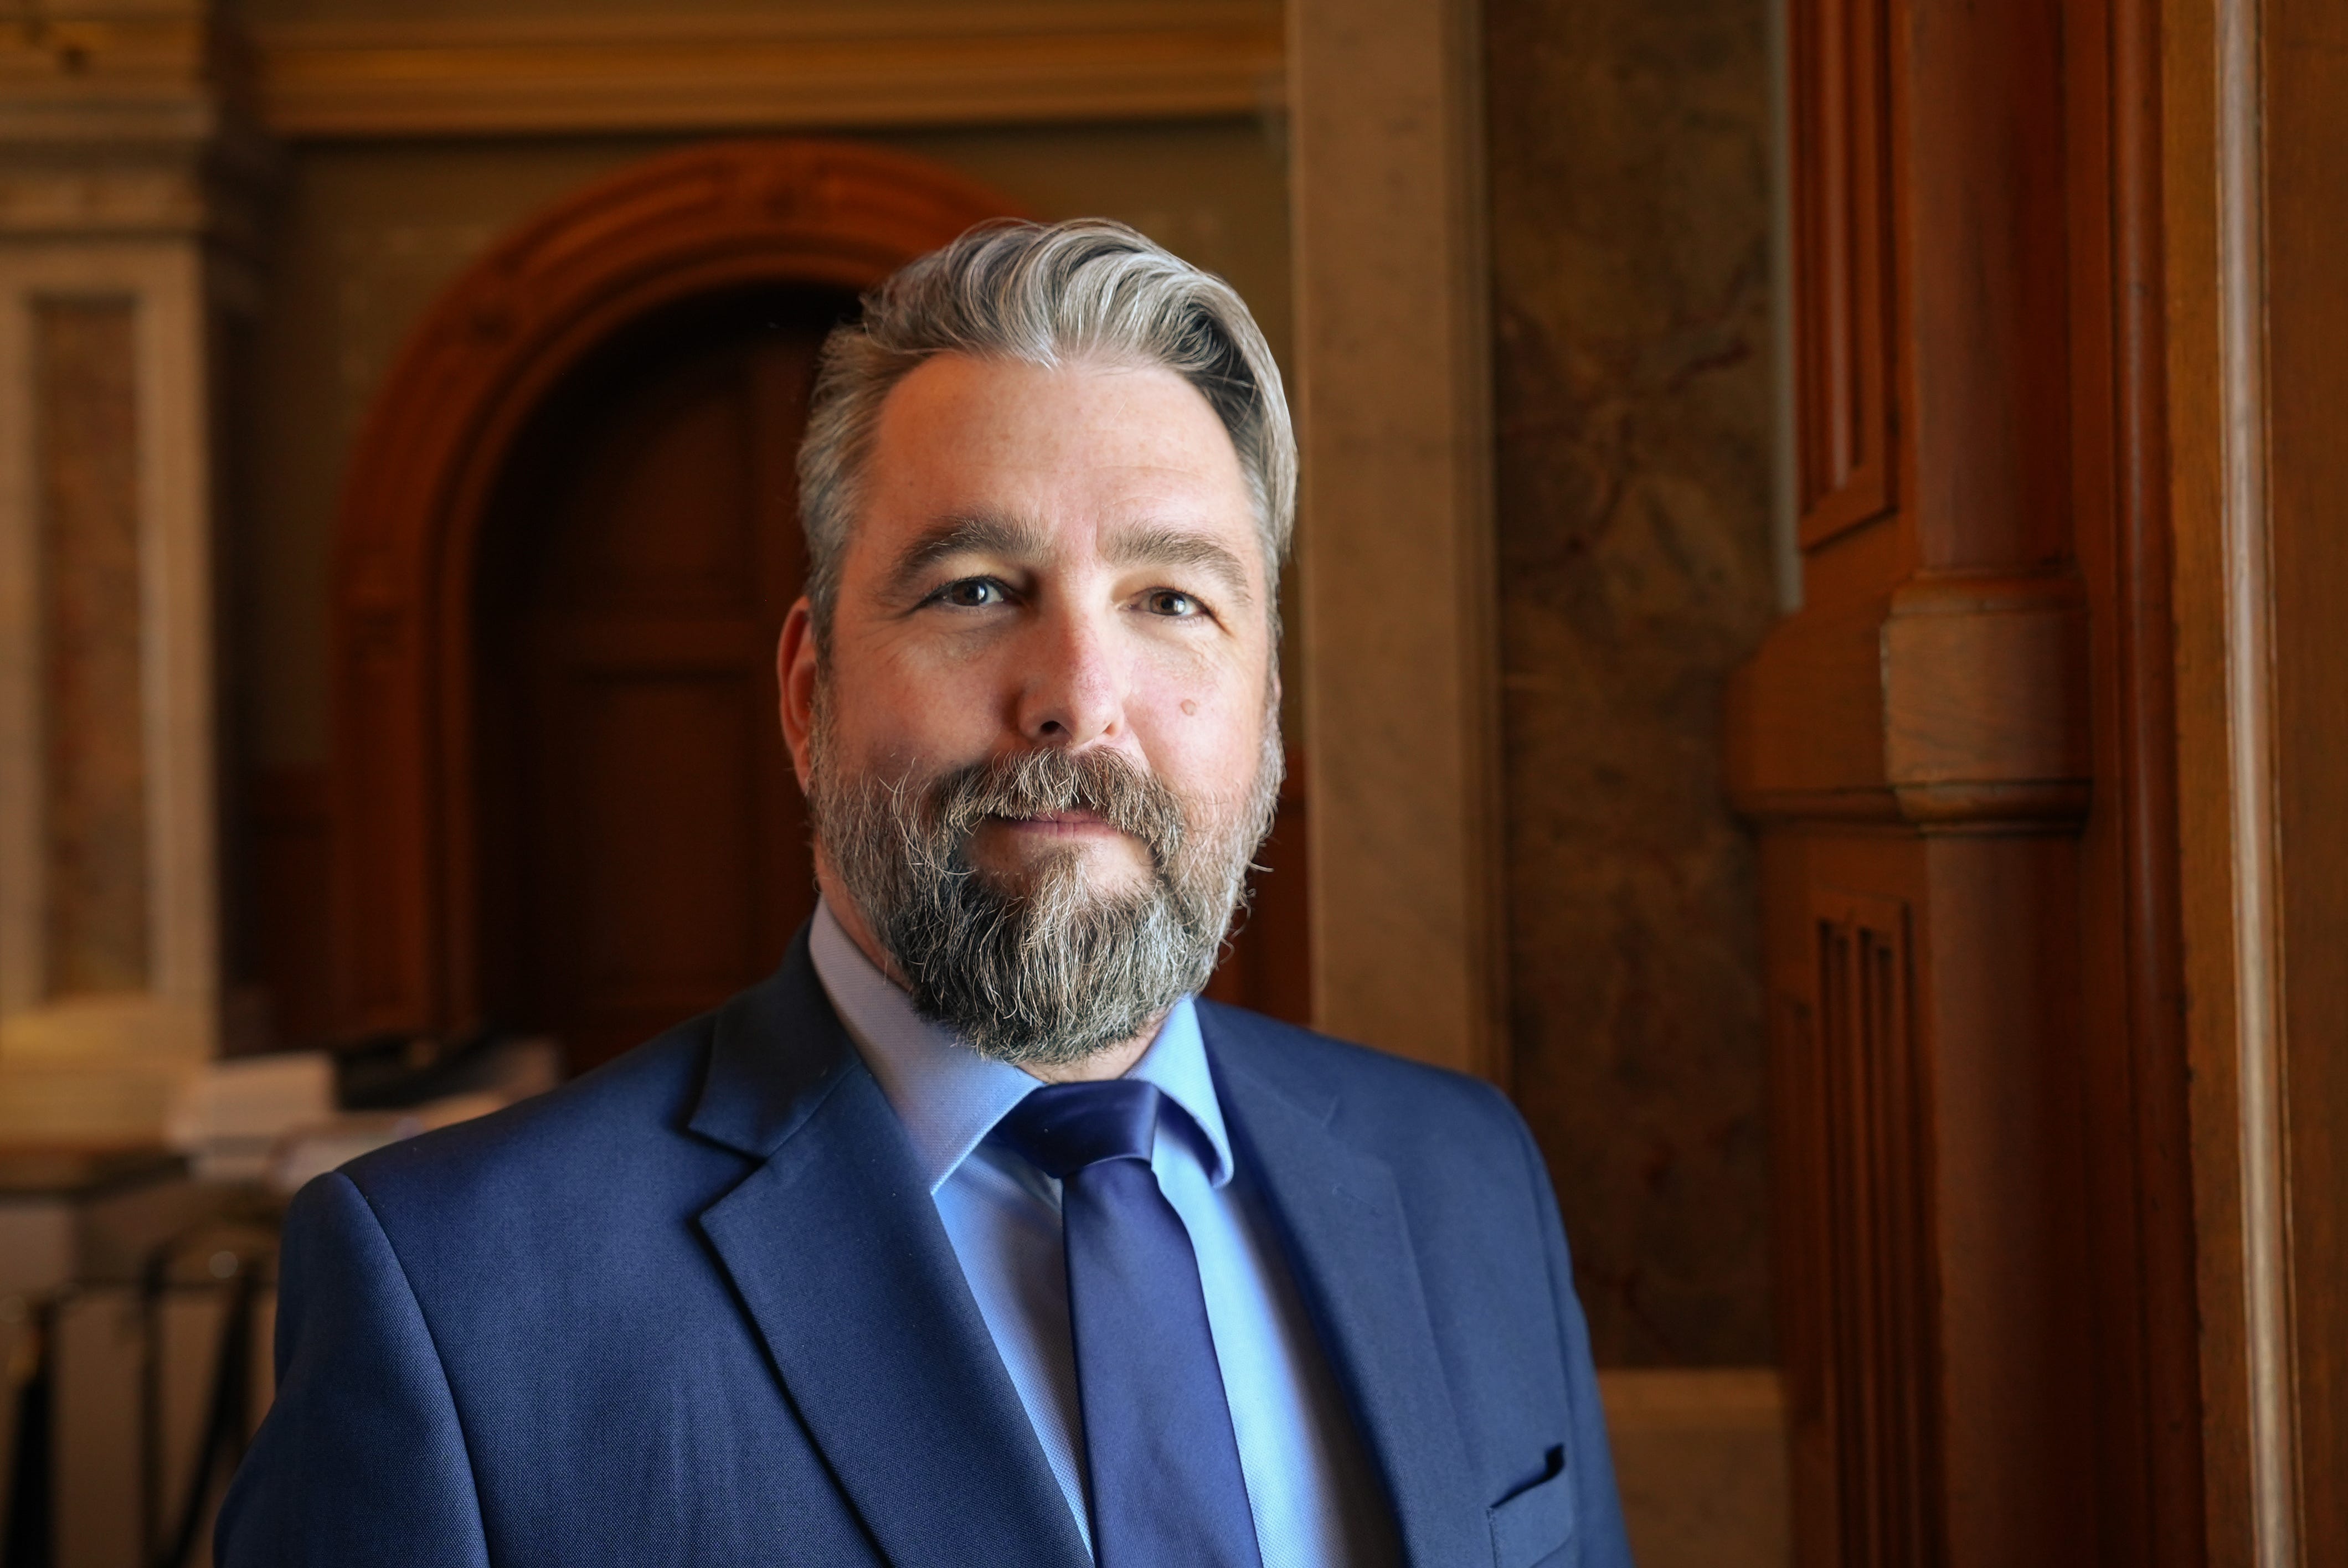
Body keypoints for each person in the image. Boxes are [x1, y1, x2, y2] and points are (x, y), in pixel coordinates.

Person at [218, 219, 1633, 1568]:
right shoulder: (456, 1300)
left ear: (1264, 713)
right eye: (974, 590)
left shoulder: (1466, 1179)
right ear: (807, 694)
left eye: (1169, 600)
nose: (1077, 697)